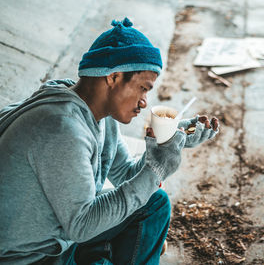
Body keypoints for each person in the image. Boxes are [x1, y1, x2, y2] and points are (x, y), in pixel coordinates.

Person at [0, 17, 219, 265]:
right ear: (113, 77)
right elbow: (82, 225)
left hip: (61, 233)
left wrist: (170, 140)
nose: (144, 102)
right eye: (143, 88)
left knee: (155, 203)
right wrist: (156, 169)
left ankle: (102, 253)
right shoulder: (62, 130)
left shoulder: (94, 110)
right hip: (32, 257)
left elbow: (125, 173)